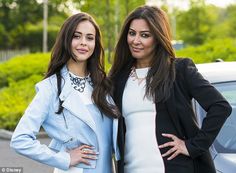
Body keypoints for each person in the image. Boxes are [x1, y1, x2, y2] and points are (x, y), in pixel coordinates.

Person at [109, 5, 232, 173]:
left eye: (145, 35)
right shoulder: (118, 78)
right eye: (132, 33)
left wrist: (192, 146)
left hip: (176, 168)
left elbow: (220, 107)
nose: (135, 40)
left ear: (158, 38)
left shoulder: (179, 71)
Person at [10, 12, 120, 173]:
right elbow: (20, 140)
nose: (83, 43)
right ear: (66, 40)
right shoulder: (50, 89)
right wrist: (64, 158)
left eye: (90, 38)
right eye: (77, 36)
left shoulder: (103, 85)